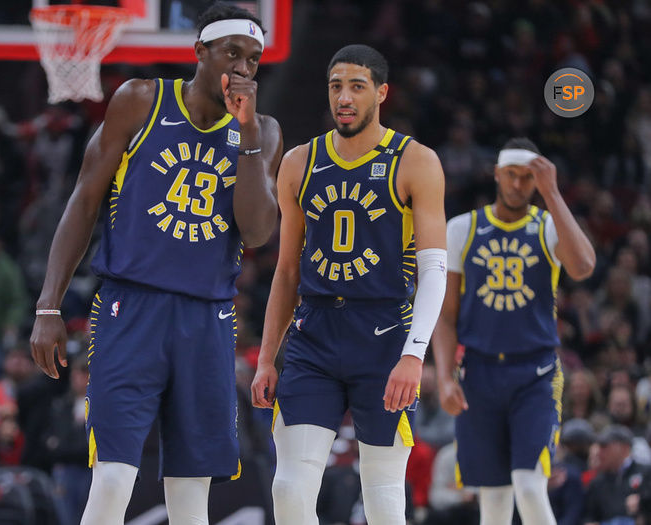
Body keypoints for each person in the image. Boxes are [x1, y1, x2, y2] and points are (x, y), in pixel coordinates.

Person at [29, 3, 282, 524]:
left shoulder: (263, 132)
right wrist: (49, 305)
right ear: (200, 53)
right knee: (115, 476)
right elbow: (84, 199)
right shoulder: (142, 99)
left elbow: (258, 231)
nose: (242, 67)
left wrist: (248, 137)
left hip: (208, 318)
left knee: (192, 490)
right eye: (232, 53)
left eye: (253, 59)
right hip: (131, 307)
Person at [251, 44, 448, 524]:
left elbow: (434, 271)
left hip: (383, 333)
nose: (344, 96)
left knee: (382, 495)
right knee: (290, 488)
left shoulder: (415, 161)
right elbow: (287, 271)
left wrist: (414, 353)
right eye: (336, 85)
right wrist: (265, 358)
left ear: (381, 93)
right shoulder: (299, 161)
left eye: (357, 86)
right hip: (314, 334)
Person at [432, 138, 596, 525]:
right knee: (493, 498)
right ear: (496, 174)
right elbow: (445, 315)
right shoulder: (462, 229)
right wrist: (443, 377)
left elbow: (585, 267)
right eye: (512, 175)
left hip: (534, 373)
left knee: (528, 484)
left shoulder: (547, 226)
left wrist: (552, 193)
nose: (519, 185)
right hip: (479, 371)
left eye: (527, 178)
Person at [584, 425, 651, 525]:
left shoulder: (646, 472)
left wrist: (643, 506)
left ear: (624, 448)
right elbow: (588, 515)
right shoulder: (597, 482)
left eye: (605, 446)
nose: (600, 452)